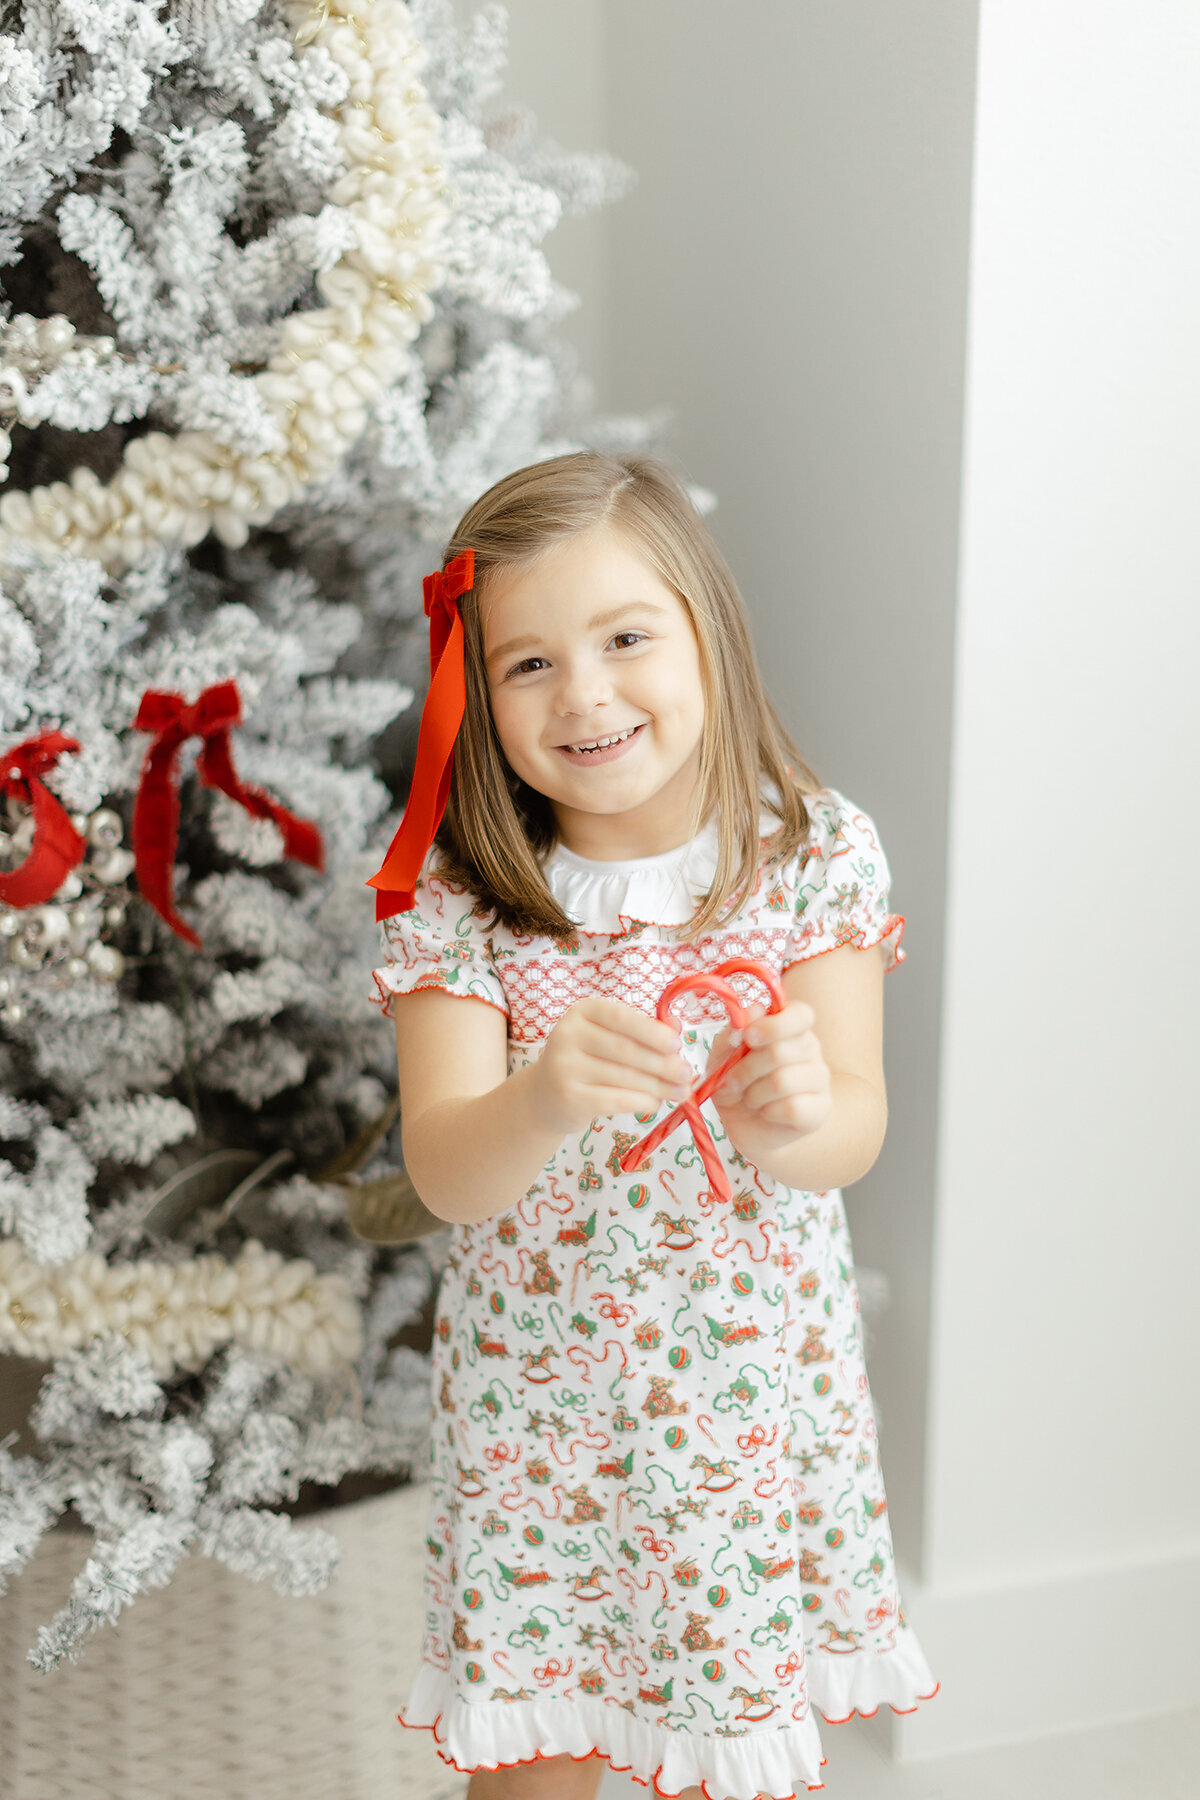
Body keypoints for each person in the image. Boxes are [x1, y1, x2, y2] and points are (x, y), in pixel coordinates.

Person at [367, 452, 937, 1800]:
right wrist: (541, 1093)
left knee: (734, 1755)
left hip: (742, 1414)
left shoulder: (809, 853)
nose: (587, 695)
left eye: (626, 638)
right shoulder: (453, 898)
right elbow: (447, 1168)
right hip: (540, 1413)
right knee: (538, 1752)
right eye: (528, 664)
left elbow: (851, 1128)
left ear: (707, 636)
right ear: (474, 690)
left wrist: (793, 1116)